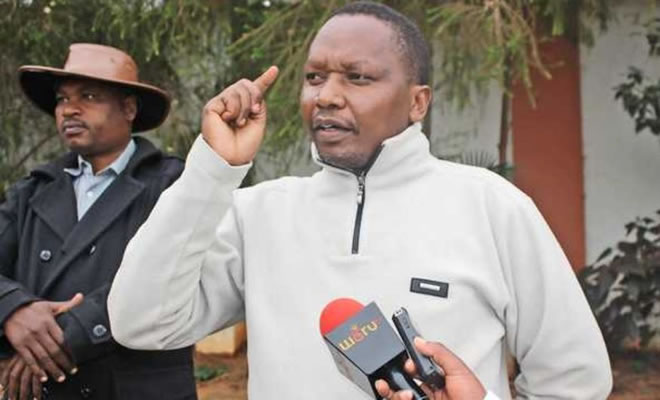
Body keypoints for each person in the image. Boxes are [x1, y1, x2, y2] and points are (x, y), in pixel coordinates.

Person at [108, 2, 612, 399]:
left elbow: (574, 381)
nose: (325, 96)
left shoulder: (491, 206)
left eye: (358, 77)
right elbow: (141, 323)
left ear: (418, 101)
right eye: (314, 78)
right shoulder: (258, 214)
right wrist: (214, 171)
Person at [0, 43, 196, 400]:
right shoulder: (31, 191)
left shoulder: (174, 184)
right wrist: (13, 310)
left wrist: (52, 340)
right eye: (61, 99)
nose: (68, 110)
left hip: (136, 388)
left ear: (129, 108)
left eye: (88, 96)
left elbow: (165, 279)